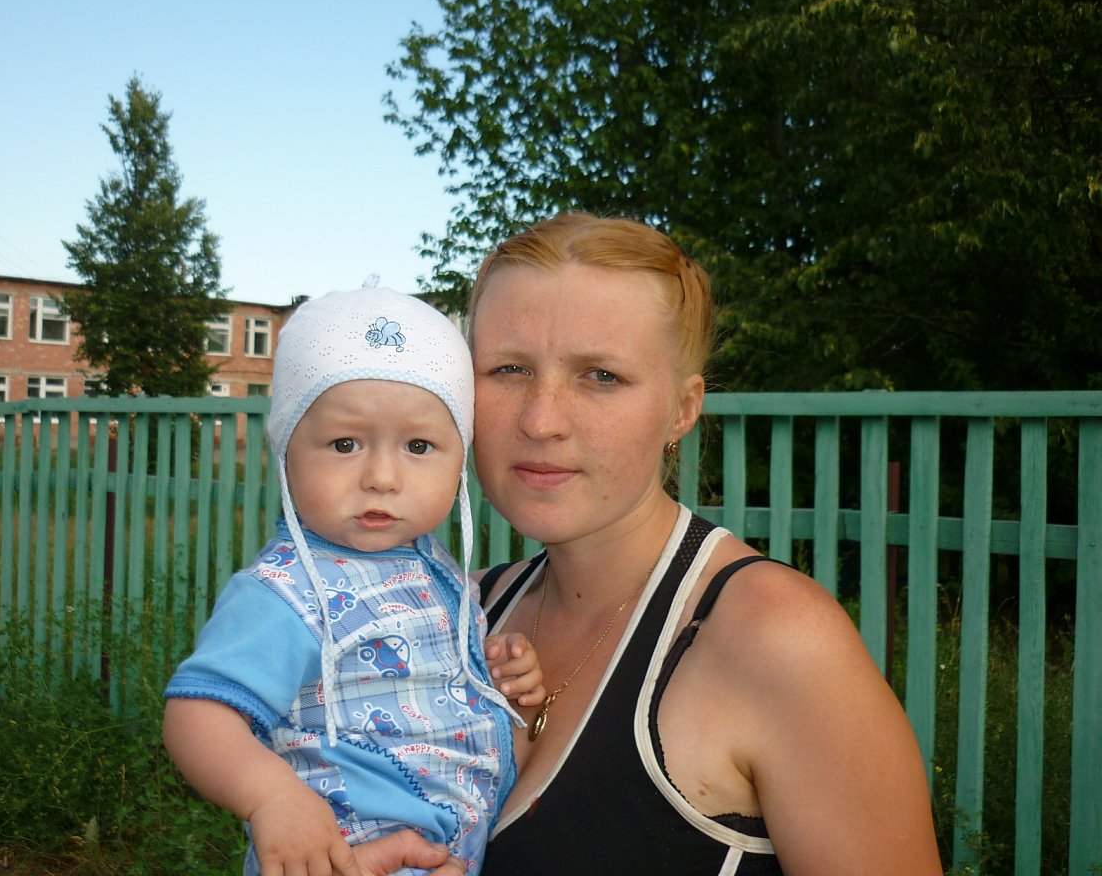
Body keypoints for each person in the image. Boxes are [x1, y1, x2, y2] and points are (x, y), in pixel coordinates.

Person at [361, 211, 943, 875]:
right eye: (509, 368)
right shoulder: (452, 613)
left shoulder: (776, 638)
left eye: (601, 376)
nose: (541, 420)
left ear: (682, 409)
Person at [163, 280, 544, 876]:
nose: (382, 477)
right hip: (343, 857)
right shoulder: (287, 589)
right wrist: (272, 797)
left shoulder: (428, 566)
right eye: (345, 444)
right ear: (286, 451)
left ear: (460, 459)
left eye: (419, 445)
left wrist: (499, 679)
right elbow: (199, 712)